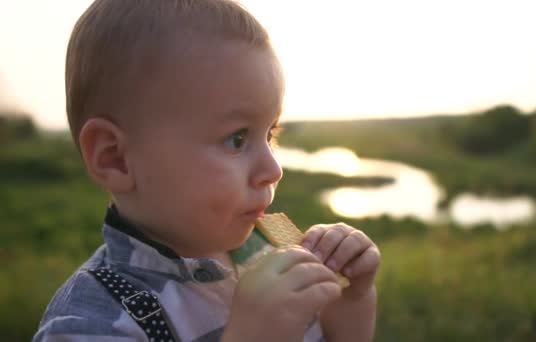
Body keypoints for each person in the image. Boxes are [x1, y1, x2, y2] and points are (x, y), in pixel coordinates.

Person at [34, 0, 381, 341]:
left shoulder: (265, 255)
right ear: (116, 159)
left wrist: (351, 297)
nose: (273, 170)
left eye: (271, 133)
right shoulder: (92, 322)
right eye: (236, 138)